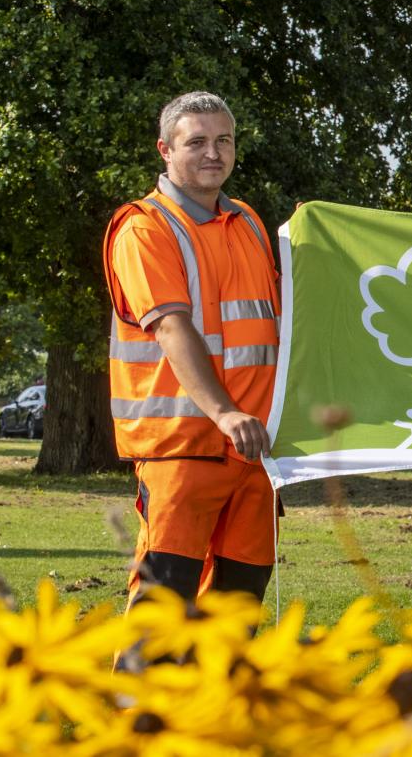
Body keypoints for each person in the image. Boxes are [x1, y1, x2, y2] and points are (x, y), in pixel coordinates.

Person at [103, 91, 280, 606]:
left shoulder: (247, 220)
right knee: (162, 610)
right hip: (183, 448)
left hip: (254, 452)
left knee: (234, 613)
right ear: (165, 149)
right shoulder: (143, 228)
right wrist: (225, 412)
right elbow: (171, 328)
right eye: (197, 141)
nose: (213, 153)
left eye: (223, 140)